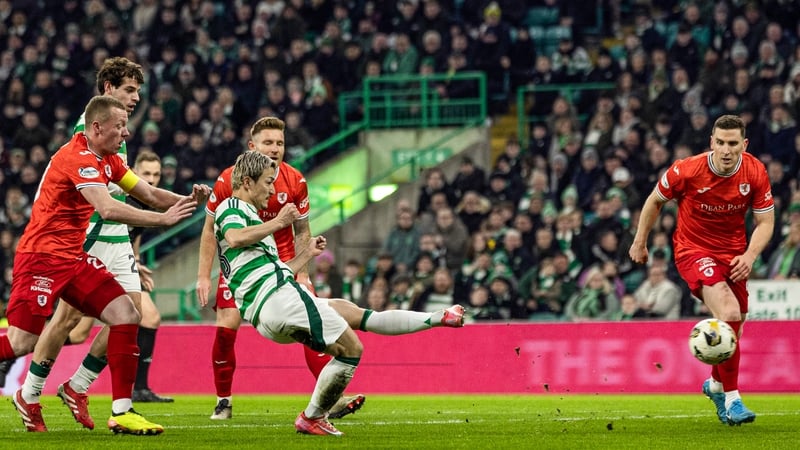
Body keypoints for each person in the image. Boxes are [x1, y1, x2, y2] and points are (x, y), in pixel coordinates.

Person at [213, 151, 464, 436]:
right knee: (351, 349)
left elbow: (273, 269)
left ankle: (437, 317)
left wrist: (305, 253)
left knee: (355, 314)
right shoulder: (231, 207)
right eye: (268, 182)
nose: (272, 189)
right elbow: (234, 237)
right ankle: (312, 417)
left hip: (275, 301)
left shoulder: (251, 219)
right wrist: (280, 222)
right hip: (279, 300)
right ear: (247, 182)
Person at [1, 95, 209, 434]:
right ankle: (33, 396)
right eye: (120, 126)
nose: (126, 134)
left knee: (127, 313)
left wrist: (191, 202)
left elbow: (150, 193)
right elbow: (108, 208)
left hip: (74, 258)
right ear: (96, 127)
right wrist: (163, 220)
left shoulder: (109, 160)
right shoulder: (77, 157)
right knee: (22, 342)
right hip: (41, 258)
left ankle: (123, 409)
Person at [17, 57, 173, 435]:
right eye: (129, 90)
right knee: (67, 321)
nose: (135, 99)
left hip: (115, 237)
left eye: (138, 91)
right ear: (107, 91)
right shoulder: (90, 132)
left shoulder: (115, 134)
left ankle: (84, 389)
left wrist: (178, 205)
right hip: (85, 236)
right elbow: (103, 199)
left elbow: (136, 189)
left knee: (133, 313)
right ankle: (31, 391)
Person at [195, 117, 363, 421]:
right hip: (242, 264)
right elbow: (210, 230)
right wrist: (202, 276)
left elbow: (303, 231)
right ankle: (223, 401)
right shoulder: (228, 180)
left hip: (283, 259)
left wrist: (304, 273)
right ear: (252, 147)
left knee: (314, 321)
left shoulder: (295, 180)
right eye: (268, 143)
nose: (275, 149)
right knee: (226, 326)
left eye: (280, 143)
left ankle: (329, 399)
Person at [629, 115, 774, 426]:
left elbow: (766, 222)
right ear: (711, 142)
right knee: (730, 313)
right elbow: (654, 201)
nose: (725, 150)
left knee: (735, 327)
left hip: (735, 255)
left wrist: (749, 255)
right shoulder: (687, 169)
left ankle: (716, 385)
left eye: (732, 144)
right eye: (720, 142)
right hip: (693, 250)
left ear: (743, 145)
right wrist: (640, 241)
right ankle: (734, 400)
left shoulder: (755, 171)